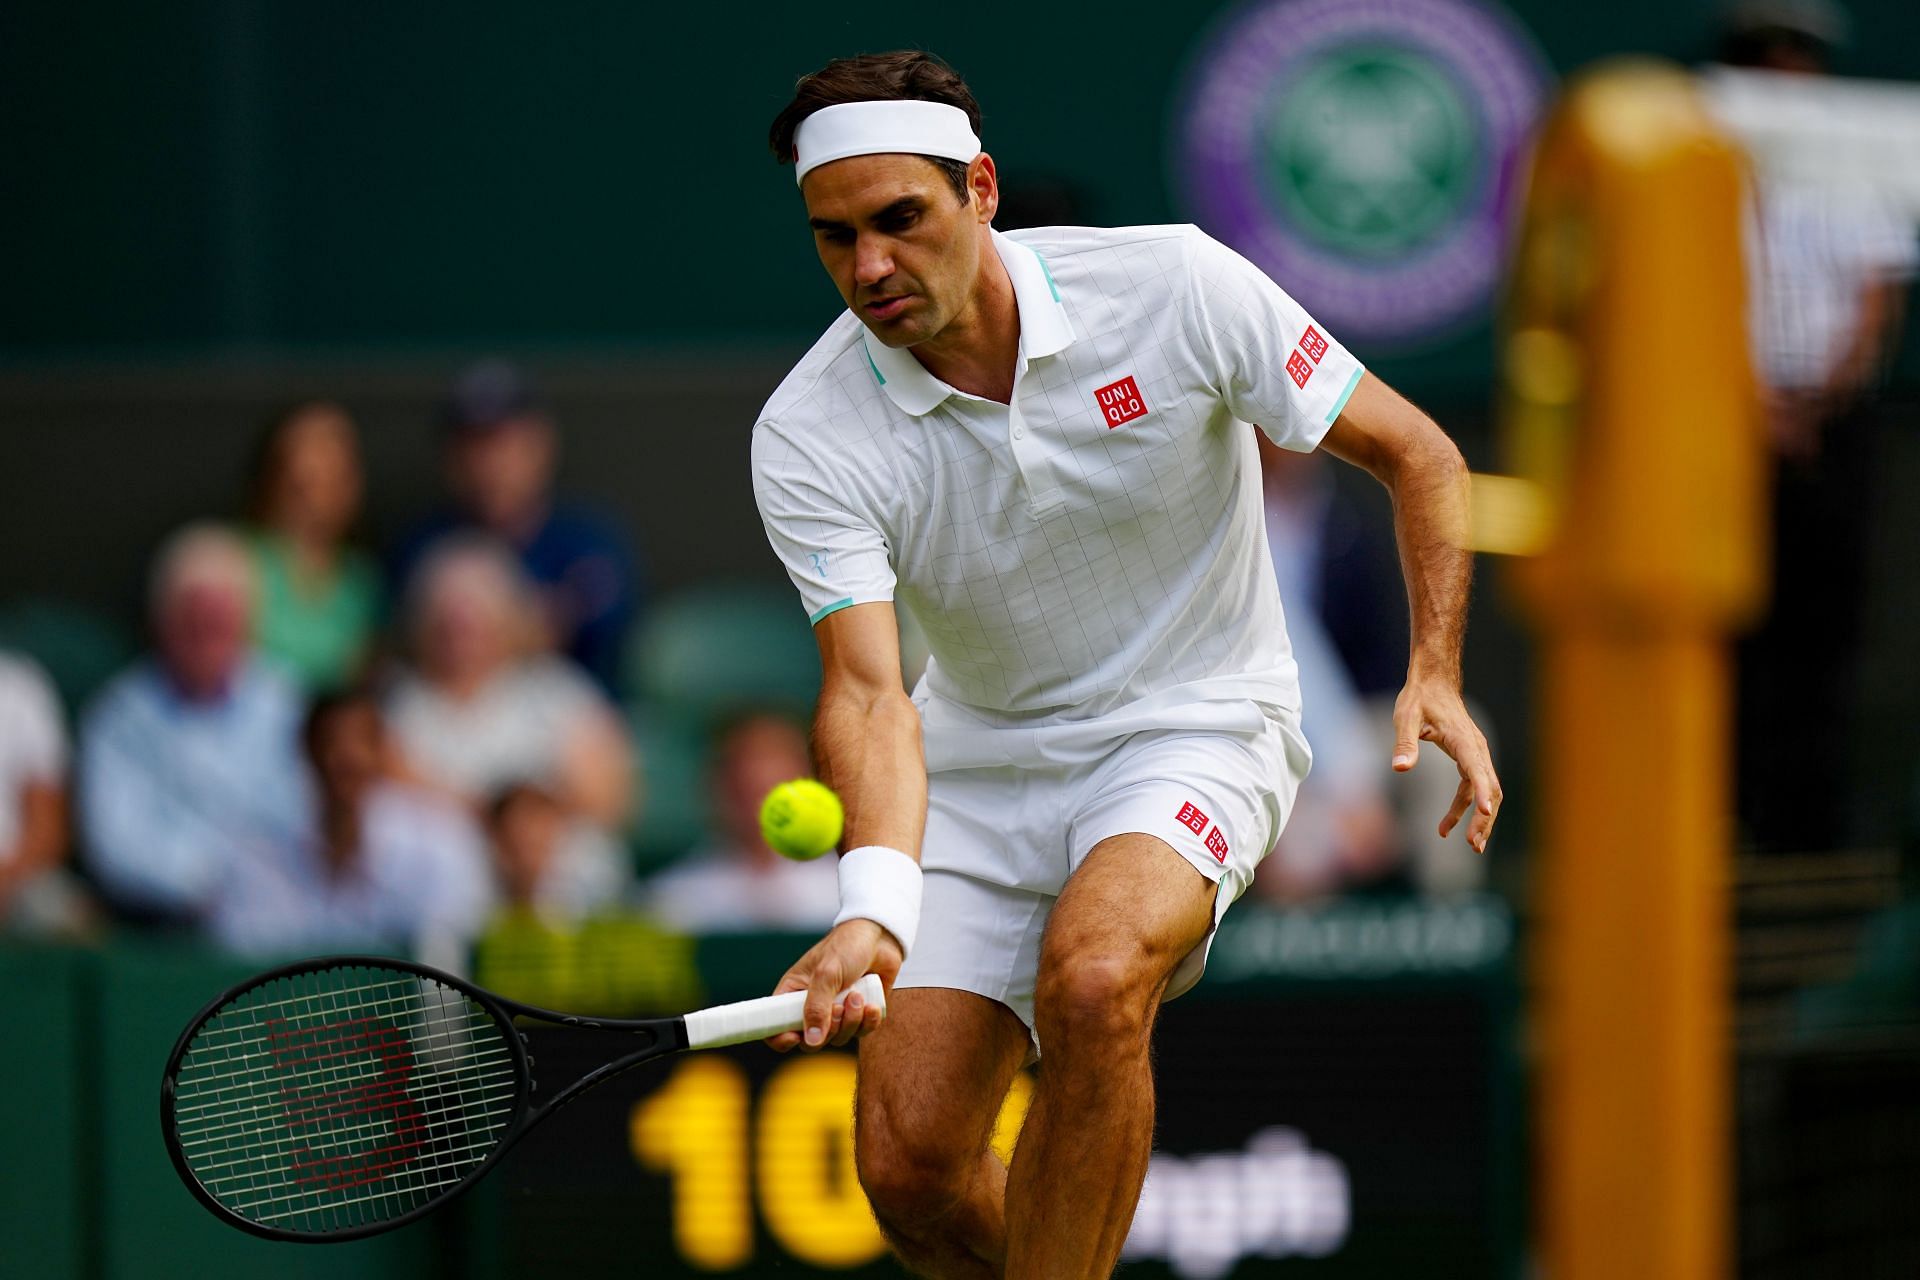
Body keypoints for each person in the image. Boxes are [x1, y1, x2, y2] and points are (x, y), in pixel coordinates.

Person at [748, 52, 1502, 1278]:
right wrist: (875, 904)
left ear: (980, 190)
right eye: (836, 238)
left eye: (901, 221)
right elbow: (872, 692)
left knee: (1096, 981)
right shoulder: (807, 431)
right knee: (911, 1168)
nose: (870, 267)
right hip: (979, 765)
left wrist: (1435, 667)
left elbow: (1419, 453)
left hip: (1196, 722)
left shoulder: (1176, 284)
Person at [1719, 2, 1919, 852]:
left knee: (1823, 624)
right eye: (1761, 52)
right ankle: (1726, 822)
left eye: (1794, 51)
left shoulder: (1855, 165)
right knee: (1731, 622)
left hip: (1831, 431)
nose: (1779, 68)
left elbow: (1877, 300)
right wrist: (1754, 406)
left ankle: (1811, 831)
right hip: (1726, 427)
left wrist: (1809, 406)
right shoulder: (1708, 164)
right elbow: (1692, 300)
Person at [80, 524, 309, 922]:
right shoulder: (118, 716)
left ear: (247, 624)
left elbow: (304, 814)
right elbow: (115, 848)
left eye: (219, 623)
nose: (206, 638)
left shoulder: (287, 703)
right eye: (192, 622)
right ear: (162, 623)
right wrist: (219, 884)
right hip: (164, 927)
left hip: (283, 916)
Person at [384, 535, 635, 883]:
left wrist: (526, 827)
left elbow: (607, 797)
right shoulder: (399, 704)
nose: (461, 637)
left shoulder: (558, 691)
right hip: (444, 877)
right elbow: (393, 787)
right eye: (448, 624)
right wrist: (497, 819)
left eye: (475, 621)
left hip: (561, 872)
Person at [391, 361, 640, 693]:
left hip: (564, 723)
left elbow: (590, 628)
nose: (488, 464)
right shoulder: (421, 547)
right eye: (471, 447)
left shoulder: (589, 542)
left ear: (540, 446)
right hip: (450, 725)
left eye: (502, 445)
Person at [210, 691, 491, 967]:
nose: (346, 758)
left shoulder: (442, 845)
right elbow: (249, 963)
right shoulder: (257, 852)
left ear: (384, 752)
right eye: (330, 742)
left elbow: (450, 960)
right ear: (305, 751)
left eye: (361, 743)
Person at [646, 713, 841, 932]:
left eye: (772, 759)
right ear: (711, 781)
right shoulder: (667, 902)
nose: (756, 776)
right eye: (738, 763)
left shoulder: (854, 894)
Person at [243, 400, 381, 691]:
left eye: (332, 481)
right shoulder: (235, 565)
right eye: (301, 485)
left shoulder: (363, 582)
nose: (315, 502)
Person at [0, 649, 85, 932]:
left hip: (16, 881)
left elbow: (48, 826)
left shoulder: (20, 687)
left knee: (62, 913)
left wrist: (6, 878)